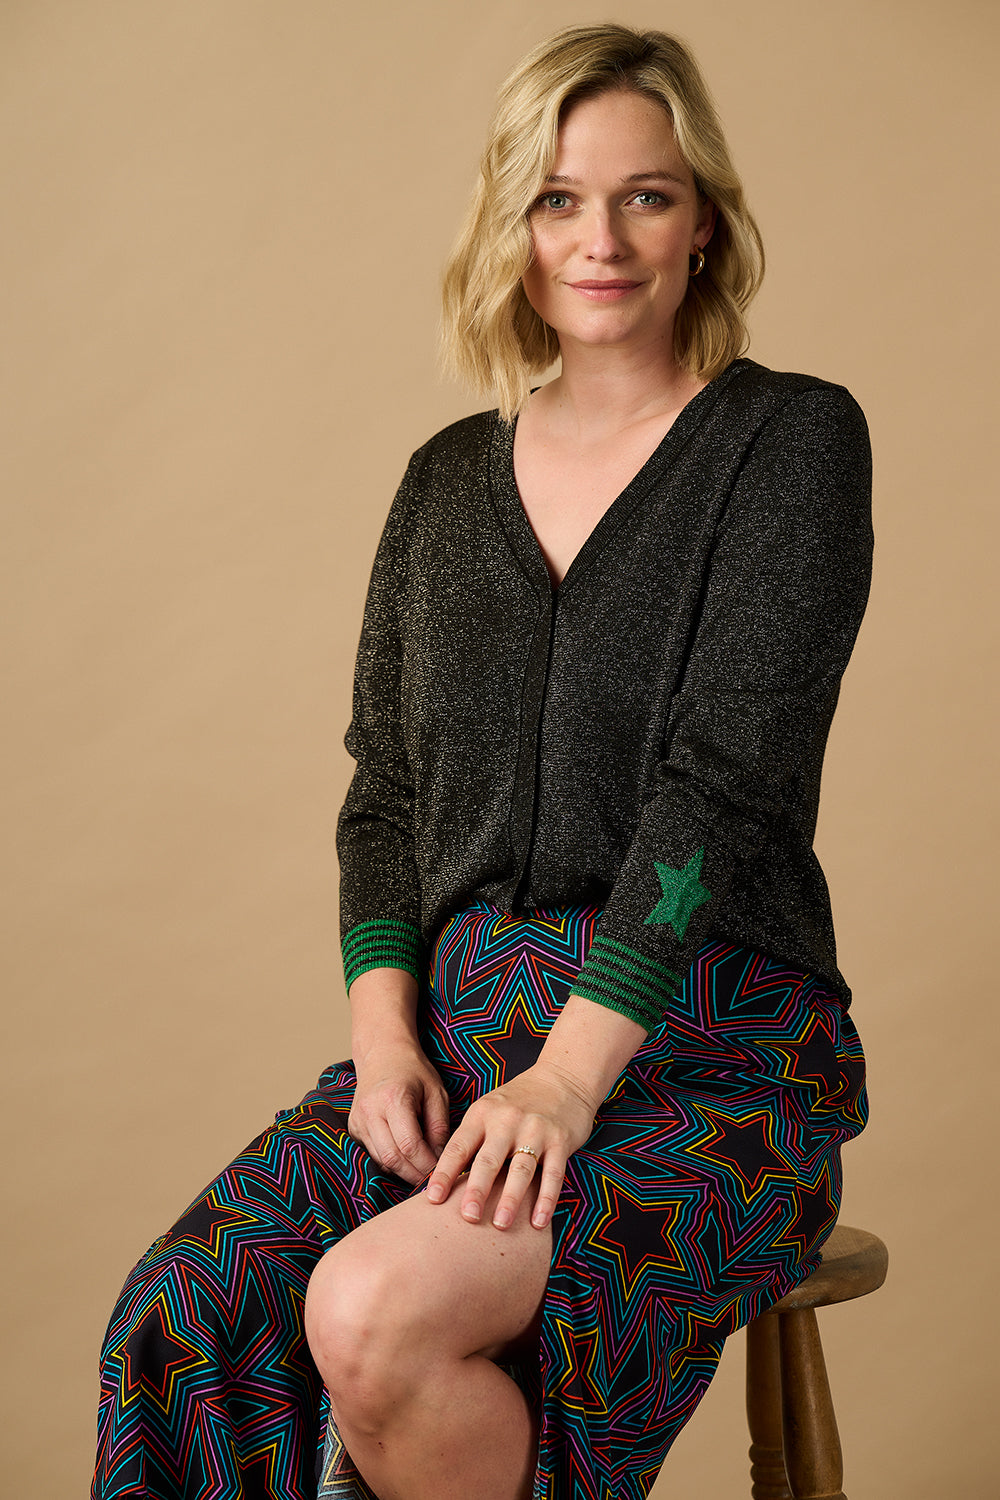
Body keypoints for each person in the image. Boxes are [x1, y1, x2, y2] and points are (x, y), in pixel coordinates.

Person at [93, 23, 872, 1500]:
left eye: (646, 196)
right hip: (458, 1053)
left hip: (704, 1056)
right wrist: (386, 1043)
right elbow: (384, 799)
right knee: (182, 1315)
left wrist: (569, 1084)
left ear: (704, 220)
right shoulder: (444, 484)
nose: (602, 241)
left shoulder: (791, 445)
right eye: (558, 199)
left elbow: (725, 787)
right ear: (513, 224)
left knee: (374, 1311)